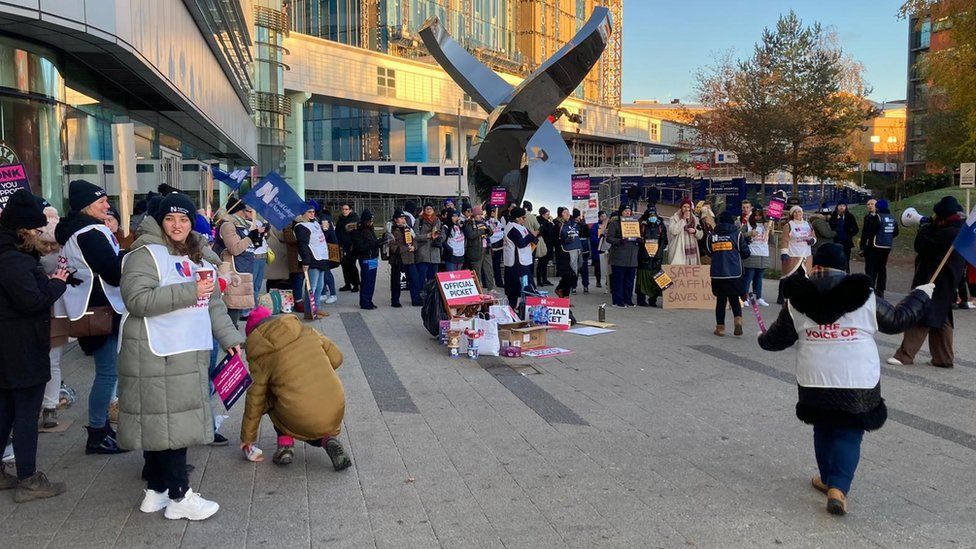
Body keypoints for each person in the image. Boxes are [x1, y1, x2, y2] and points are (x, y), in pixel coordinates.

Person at [759, 243, 933, 516]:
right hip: (857, 377)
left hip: (814, 377)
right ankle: (838, 487)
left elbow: (775, 340)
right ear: (845, 267)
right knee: (849, 431)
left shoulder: (796, 300)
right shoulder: (866, 296)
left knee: (823, 427)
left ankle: (827, 478)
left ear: (815, 265)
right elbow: (898, 320)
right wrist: (921, 296)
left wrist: (762, 339)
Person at [118, 192, 244, 521]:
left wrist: (230, 337)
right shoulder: (144, 254)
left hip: (187, 349)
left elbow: (213, 303)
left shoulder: (197, 255)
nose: (178, 225)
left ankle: (158, 490)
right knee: (171, 425)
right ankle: (180, 495)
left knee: (166, 423)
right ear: (159, 221)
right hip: (155, 352)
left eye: (184, 219)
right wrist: (190, 291)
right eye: (171, 219)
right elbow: (137, 300)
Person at [0, 189, 69, 502]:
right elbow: (32, 301)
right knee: (25, 414)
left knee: (6, 412)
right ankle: (28, 479)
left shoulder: (12, 255)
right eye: (38, 229)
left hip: (11, 347)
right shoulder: (13, 260)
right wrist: (57, 283)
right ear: (22, 230)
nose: (43, 234)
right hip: (20, 348)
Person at [54, 180, 127, 455]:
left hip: (88, 308)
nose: (108, 206)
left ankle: (102, 429)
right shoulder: (91, 233)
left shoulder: (74, 231)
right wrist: (127, 258)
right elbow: (112, 271)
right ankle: (97, 433)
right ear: (87, 206)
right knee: (108, 373)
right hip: (101, 310)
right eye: (102, 202)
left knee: (106, 372)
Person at [240, 307, 352, 470]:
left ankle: (285, 446)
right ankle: (327, 440)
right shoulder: (306, 330)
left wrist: (247, 437)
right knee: (298, 403)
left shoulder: (261, 352)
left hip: (297, 412)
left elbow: (255, 399)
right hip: (336, 405)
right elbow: (337, 358)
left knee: (271, 397)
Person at [888, 196, 967, 368]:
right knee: (942, 315)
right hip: (946, 280)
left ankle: (905, 355)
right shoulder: (956, 229)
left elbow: (922, 245)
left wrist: (924, 228)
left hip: (935, 279)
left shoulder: (949, 232)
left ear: (942, 216)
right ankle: (943, 357)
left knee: (921, 311)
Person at [37, 200, 66, 429]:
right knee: (52, 360)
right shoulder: (63, 246)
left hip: (50, 308)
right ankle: (49, 406)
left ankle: (48, 405)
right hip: (53, 308)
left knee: (50, 360)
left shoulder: (29, 247)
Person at [213, 200, 263, 326]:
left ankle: (234, 339)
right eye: (245, 211)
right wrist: (250, 237)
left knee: (236, 307)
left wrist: (258, 238)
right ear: (238, 211)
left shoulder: (242, 225)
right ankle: (232, 341)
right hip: (233, 271)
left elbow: (248, 247)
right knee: (232, 307)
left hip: (243, 269)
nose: (247, 214)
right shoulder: (228, 225)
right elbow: (235, 249)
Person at [706, 210, 750, 336]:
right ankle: (738, 322)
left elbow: (709, 252)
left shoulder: (712, 235)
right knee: (734, 299)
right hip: (734, 273)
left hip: (718, 273)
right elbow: (746, 253)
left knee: (721, 301)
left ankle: (720, 328)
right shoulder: (737, 234)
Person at [294, 205, 330, 319]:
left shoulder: (314, 223)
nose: (312, 214)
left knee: (320, 286)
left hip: (321, 258)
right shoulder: (301, 226)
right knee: (312, 287)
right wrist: (306, 261)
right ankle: (309, 312)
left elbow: (321, 239)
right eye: (309, 212)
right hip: (312, 259)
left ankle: (316, 308)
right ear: (303, 213)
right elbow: (302, 245)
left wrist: (326, 229)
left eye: (313, 212)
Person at [859, 199, 898, 299]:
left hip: (874, 246)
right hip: (886, 247)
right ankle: (881, 290)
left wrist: (864, 246)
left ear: (877, 207)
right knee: (882, 269)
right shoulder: (892, 217)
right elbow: (896, 232)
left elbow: (870, 232)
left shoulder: (877, 217)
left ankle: (870, 289)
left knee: (871, 268)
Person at [502, 207, 538, 308]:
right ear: (517, 218)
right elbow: (520, 243)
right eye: (523, 217)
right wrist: (531, 237)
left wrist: (534, 237)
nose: (524, 219)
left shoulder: (521, 226)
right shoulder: (511, 228)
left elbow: (531, 237)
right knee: (520, 287)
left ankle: (525, 308)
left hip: (524, 261)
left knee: (525, 286)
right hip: (516, 263)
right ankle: (514, 308)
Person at [605, 204, 640, 308]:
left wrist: (639, 240)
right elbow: (609, 238)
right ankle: (617, 301)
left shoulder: (635, 223)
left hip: (632, 257)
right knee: (618, 280)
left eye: (629, 211)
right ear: (621, 212)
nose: (628, 213)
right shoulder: (614, 223)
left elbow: (638, 235)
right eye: (625, 211)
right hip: (619, 257)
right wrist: (620, 241)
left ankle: (628, 299)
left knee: (629, 281)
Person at [350, 210, 384, 310]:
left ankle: (369, 300)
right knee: (366, 281)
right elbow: (361, 247)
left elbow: (373, 242)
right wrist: (377, 243)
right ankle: (365, 302)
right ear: (366, 221)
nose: (372, 222)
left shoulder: (370, 230)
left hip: (373, 258)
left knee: (372, 281)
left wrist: (380, 241)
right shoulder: (357, 232)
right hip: (365, 259)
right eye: (370, 220)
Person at [636, 205, 667, 307]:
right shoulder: (642, 225)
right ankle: (641, 299)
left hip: (656, 258)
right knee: (642, 279)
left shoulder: (661, 226)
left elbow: (664, 241)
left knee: (656, 279)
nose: (652, 217)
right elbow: (638, 239)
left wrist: (659, 253)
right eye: (650, 215)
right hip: (644, 257)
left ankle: (653, 299)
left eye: (654, 214)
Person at [741, 207, 772, 306]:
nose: (758, 217)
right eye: (756, 215)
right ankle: (744, 298)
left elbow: (771, 240)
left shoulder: (766, 225)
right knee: (748, 277)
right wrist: (749, 233)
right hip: (751, 253)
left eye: (759, 215)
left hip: (763, 253)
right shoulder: (748, 225)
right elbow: (740, 235)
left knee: (759, 277)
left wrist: (770, 230)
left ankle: (759, 297)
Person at [388, 211, 419, 307]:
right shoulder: (391, 231)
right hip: (398, 259)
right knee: (396, 281)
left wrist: (414, 247)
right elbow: (393, 248)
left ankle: (415, 299)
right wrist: (406, 248)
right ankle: (395, 300)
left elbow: (414, 240)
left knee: (414, 279)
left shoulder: (407, 229)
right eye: (401, 218)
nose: (403, 220)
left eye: (404, 218)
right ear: (396, 220)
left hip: (409, 258)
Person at [463, 206, 493, 290]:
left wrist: (488, 230)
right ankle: (478, 290)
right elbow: (470, 235)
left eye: (481, 214)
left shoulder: (484, 222)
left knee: (489, 270)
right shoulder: (468, 223)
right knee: (477, 273)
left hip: (486, 249)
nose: (480, 216)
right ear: (474, 215)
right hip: (475, 250)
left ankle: (491, 289)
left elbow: (491, 232)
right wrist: (482, 231)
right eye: (478, 214)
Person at [553, 207, 581, 298]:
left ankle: (563, 293)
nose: (568, 214)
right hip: (562, 253)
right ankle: (564, 295)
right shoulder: (557, 225)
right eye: (565, 212)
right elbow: (554, 241)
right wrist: (565, 240)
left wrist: (582, 222)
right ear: (560, 214)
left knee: (572, 274)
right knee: (568, 275)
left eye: (568, 212)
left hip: (573, 251)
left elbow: (584, 232)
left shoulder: (573, 224)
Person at [667, 198, 703, 265]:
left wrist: (695, 231)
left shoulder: (695, 219)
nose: (686, 209)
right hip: (679, 248)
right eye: (684, 207)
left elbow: (701, 234)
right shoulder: (674, 218)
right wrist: (683, 220)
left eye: (688, 207)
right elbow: (673, 231)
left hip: (692, 248)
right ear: (681, 207)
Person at [783, 206, 815, 278]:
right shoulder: (789, 225)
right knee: (790, 277)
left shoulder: (808, 224)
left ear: (802, 213)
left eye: (799, 211)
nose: (797, 213)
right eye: (795, 212)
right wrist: (784, 253)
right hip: (793, 255)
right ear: (792, 214)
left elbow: (813, 236)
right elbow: (785, 240)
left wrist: (813, 240)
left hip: (806, 255)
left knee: (806, 277)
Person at [415, 204, 444, 284]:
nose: (429, 210)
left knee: (433, 279)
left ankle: (431, 295)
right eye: (427, 209)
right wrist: (426, 236)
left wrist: (438, 237)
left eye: (430, 208)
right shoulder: (419, 221)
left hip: (435, 254)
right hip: (423, 254)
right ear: (424, 210)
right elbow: (415, 236)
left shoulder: (438, 221)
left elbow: (443, 236)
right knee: (421, 278)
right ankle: (421, 294)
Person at [336, 203, 360, 292]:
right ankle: (347, 284)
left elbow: (356, 233)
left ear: (350, 210)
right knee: (344, 265)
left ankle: (356, 284)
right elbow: (337, 231)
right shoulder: (340, 219)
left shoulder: (354, 219)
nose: (344, 211)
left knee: (351, 266)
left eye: (346, 209)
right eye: (343, 209)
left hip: (351, 247)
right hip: (342, 246)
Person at [829, 201, 859, 272]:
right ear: (837, 207)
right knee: (836, 259)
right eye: (840, 205)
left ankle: (846, 274)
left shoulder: (850, 216)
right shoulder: (833, 216)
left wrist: (849, 235)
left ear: (846, 207)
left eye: (843, 206)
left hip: (846, 242)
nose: (842, 207)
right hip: (836, 242)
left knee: (846, 259)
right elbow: (830, 227)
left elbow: (856, 229)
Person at [487, 205, 506, 287]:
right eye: (491, 211)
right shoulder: (486, 221)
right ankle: (487, 283)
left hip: (499, 246)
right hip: (491, 246)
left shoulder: (498, 220)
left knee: (497, 265)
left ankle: (499, 282)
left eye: (494, 211)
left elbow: (503, 230)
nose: (493, 213)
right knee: (488, 265)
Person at [575, 209, 591, 294]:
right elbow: (588, 235)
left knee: (575, 268)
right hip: (584, 247)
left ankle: (574, 287)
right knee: (584, 268)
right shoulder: (584, 225)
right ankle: (585, 286)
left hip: (575, 248)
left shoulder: (572, 225)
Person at [591, 211, 607, 289]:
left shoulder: (608, 225)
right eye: (602, 216)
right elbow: (593, 238)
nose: (603, 218)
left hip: (607, 249)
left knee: (608, 266)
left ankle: (608, 281)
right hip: (597, 249)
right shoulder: (595, 226)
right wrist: (600, 241)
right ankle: (598, 281)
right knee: (598, 266)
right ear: (599, 217)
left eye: (605, 216)